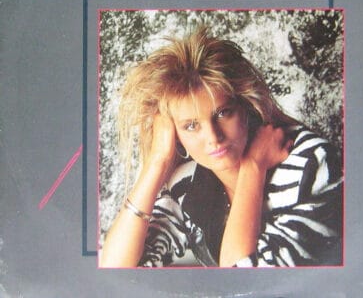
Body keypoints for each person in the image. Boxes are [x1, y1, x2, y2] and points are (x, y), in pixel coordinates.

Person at [100, 26, 343, 268]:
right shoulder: (189, 183)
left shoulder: (312, 164)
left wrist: (253, 167)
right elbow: (116, 267)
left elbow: (242, 275)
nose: (213, 137)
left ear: (246, 105)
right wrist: (157, 162)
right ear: (176, 134)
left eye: (223, 113)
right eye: (191, 125)